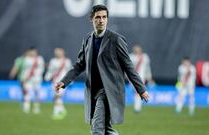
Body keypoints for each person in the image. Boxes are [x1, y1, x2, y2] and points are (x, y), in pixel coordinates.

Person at [55, 5, 149, 135]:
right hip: (92, 90)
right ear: (91, 19)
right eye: (98, 17)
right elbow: (79, 65)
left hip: (109, 91)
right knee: (106, 129)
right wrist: (64, 81)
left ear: (107, 19)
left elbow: (128, 66)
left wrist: (141, 89)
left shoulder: (116, 39)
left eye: (104, 17)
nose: (101, 20)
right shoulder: (88, 39)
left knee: (97, 130)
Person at [45, 48, 72, 120]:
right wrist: (47, 77)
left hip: (62, 81)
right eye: (56, 52)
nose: (57, 53)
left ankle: (56, 113)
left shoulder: (66, 61)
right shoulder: (53, 61)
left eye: (58, 52)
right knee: (55, 97)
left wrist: (71, 81)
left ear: (63, 52)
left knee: (57, 96)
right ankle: (62, 110)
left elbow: (70, 71)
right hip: (54, 81)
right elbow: (50, 70)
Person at [130, 45, 154, 113]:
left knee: (138, 92)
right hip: (133, 77)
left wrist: (149, 77)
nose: (136, 50)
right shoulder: (131, 56)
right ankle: (137, 107)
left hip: (141, 77)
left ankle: (137, 108)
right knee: (136, 93)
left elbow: (147, 68)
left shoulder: (145, 57)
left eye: (138, 49)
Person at [21, 47, 45, 114]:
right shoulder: (27, 59)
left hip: (37, 79)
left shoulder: (40, 59)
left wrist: (37, 74)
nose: (32, 53)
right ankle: (26, 108)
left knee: (36, 93)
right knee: (27, 92)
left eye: (34, 51)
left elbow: (42, 69)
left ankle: (36, 108)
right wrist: (23, 78)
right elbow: (24, 69)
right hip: (28, 79)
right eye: (31, 51)